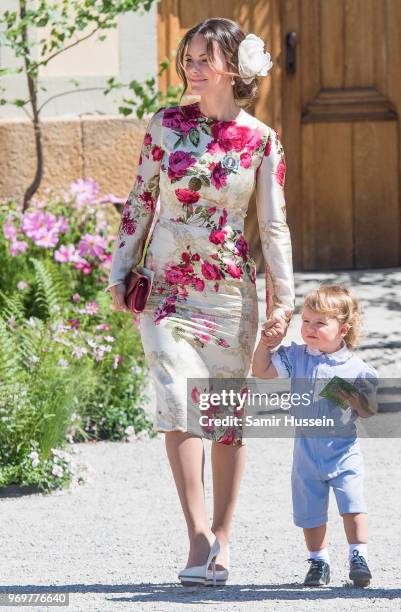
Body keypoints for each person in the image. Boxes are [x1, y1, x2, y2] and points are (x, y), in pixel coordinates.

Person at [105, 18, 295, 586]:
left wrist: (282, 300)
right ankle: (195, 533)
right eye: (188, 57)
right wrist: (121, 270)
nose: (191, 66)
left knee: (227, 420)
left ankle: (224, 537)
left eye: (204, 57)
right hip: (165, 290)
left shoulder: (261, 139)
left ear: (233, 68)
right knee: (176, 400)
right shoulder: (163, 126)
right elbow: (140, 201)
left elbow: (274, 226)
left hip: (231, 295)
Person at [252, 285, 378, 587]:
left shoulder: (357, 368)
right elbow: (262, 371)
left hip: (343, 451)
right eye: (306, 321)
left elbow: (371, 411)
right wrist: (265, 344)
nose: (310, 328)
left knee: (352, 504)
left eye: (320, 323)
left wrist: (353, 398)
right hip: (306, 452)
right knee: (310, 511)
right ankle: (318, 561)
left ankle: (357, 555)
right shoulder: (296, 357)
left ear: (343, 329)